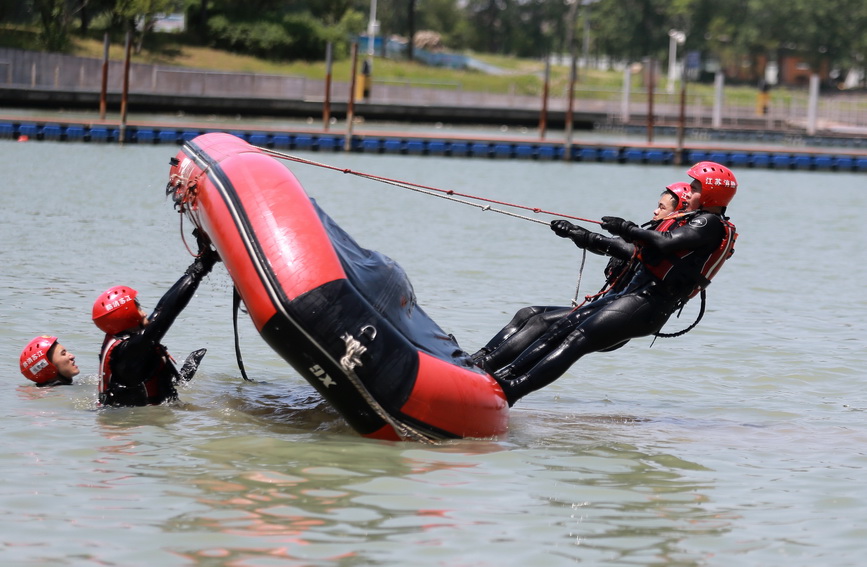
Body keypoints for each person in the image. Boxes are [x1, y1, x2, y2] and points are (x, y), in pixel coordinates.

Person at [481, 162, 738, 406]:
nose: (691, 190)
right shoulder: (697, 221)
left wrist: (625, 228)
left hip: (647, 303)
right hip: (632, 297)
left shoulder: (709, 223)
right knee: (561, 330)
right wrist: (586, 234)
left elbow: (663, 243)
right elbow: (638, 248)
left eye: (695, 188)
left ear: (711, 194)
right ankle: (500, 377)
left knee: (575, 339)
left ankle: (509, 390)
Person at [472, 181, 694, 372]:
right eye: (657, 206)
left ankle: (487, 368)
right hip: (600, 311)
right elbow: (614, 249)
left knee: (540, 322)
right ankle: (478, 358)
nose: (655, 212)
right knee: (527, 313)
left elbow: (625, 250)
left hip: (615, 321)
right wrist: (574, 234)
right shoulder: (649, 238)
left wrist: (583, 234)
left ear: (678, 212)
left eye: (661, 207)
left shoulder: (666, 248)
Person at [92, 231, 219, 407]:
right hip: (135, 423)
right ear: (126, 315)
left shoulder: (128, 344)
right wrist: (200, 270)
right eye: (138, 308)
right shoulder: (130, 352)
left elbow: (161, 307)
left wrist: (197, 266)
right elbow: (167, 312)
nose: (144, 313)